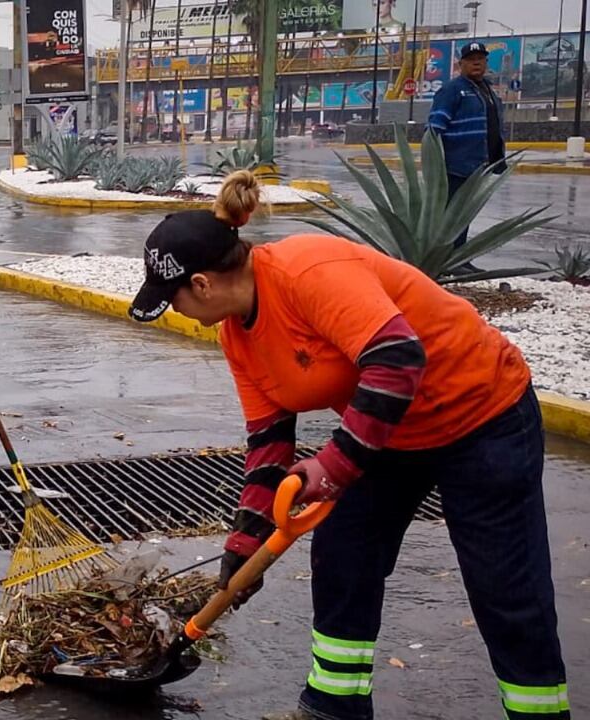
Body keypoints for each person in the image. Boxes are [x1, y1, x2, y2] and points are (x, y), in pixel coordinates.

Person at [128, 171, 569, 720]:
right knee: (343, 556)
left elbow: (398, 358)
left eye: (171, 300)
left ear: (201, 284)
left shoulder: (308, 270)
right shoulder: (236, 333)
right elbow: (268, 440)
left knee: (505, 588)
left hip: (481, 414)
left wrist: (335, 465)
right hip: (386, 431)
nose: (174, 312)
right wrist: (245, 544)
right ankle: (333, 706)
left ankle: (539, 713)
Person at [428, 41, 506, 274]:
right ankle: (448, 260)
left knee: (465, 213)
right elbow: (434, 126)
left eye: (480, 59)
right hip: (456, 164)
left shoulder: (487, 89)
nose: (476, 63)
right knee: (452, 213)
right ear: (460, 64)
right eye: (471, 59)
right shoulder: (452, 89)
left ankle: (461, 258)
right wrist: (434, 160)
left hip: (480, 163)